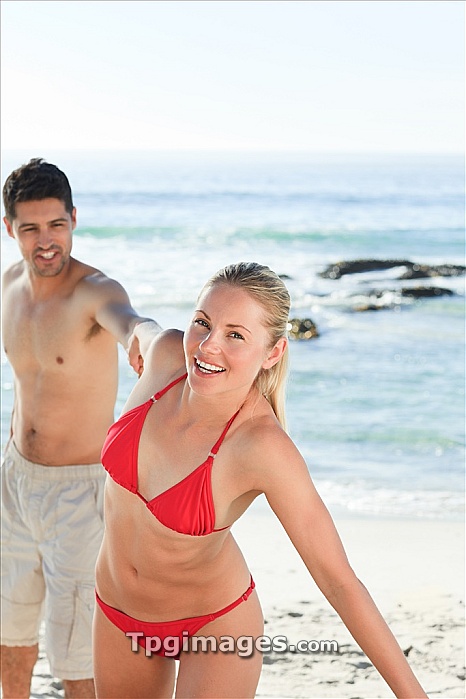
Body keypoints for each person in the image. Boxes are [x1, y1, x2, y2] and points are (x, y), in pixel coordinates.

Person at [93, 261, 427, 698]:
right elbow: (140, 327)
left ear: (272, 352)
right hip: (116, 610)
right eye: (202, 323)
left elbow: (339, 581)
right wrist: (135, 329)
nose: (208, 346)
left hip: (214, 626)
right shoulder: (167, 356)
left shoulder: (262, 447)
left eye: (235, 335)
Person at [1, 158, 161, 699]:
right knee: (9, 638)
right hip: (14, 482)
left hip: (79, 496)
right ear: (9, 228)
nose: (46, 241)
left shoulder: (94, 291)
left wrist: (147, 338)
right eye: (30, 228)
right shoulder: (8, 286)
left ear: (74, 219)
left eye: (56, 225)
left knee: (77, 661)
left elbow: (131, 321)